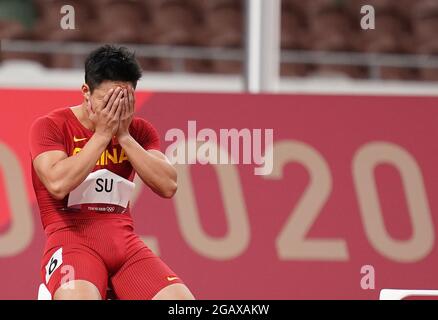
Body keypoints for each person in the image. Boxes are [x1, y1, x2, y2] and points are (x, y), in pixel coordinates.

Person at [29, 45, 194, 300]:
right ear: (86, 91)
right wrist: (103, 134)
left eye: (125, 101)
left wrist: (124, 136)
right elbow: (58, 183)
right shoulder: (50, 126)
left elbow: (168, 185)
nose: (115, 110)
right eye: (107, 101)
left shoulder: (138, 131)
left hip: (124, 245)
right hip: (71, 242)